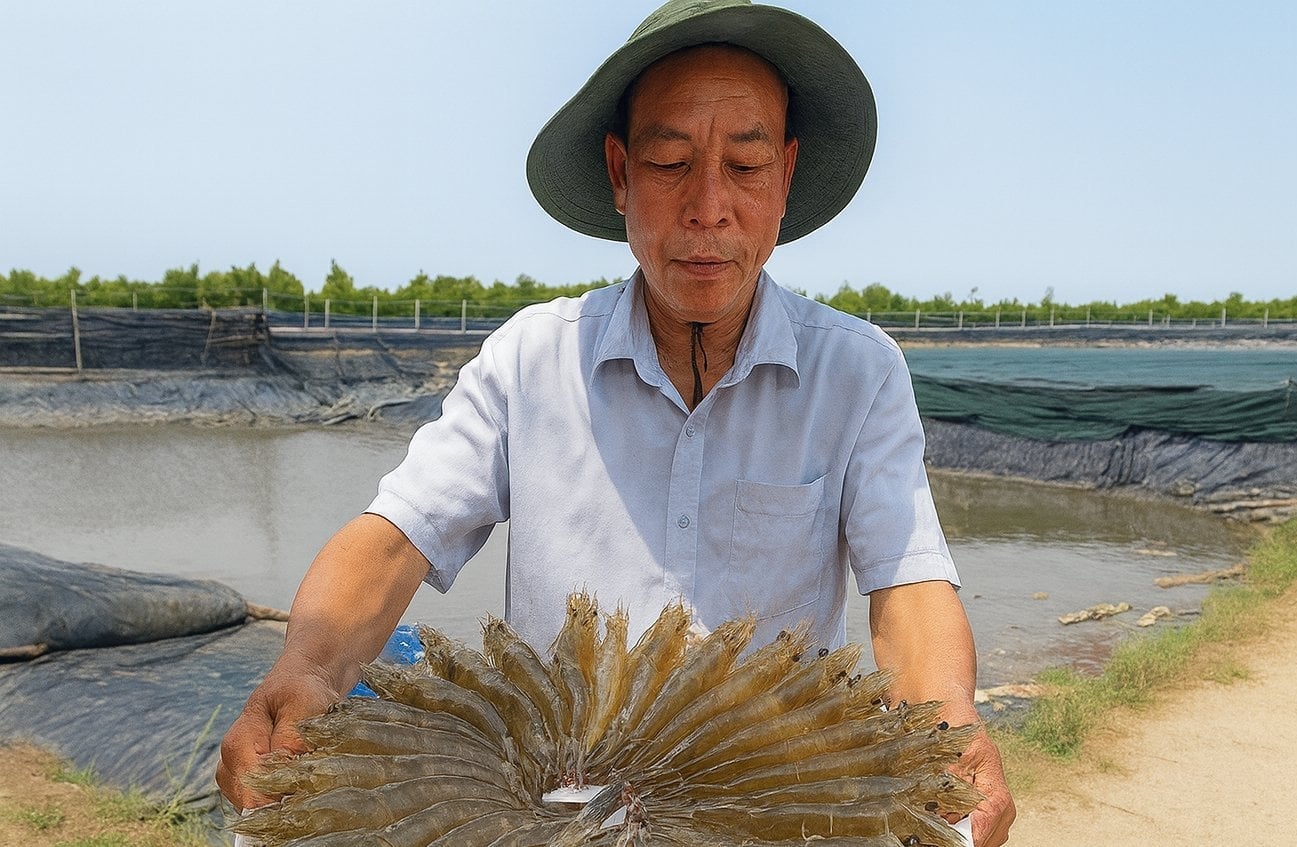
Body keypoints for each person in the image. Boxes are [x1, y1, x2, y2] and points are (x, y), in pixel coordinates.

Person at [217, 1, 1016, 844]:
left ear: (784, 176)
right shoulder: (532, 359)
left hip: (768, 796)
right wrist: (308, 667)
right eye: (670, 162)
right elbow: (397, 535)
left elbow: (907, 583)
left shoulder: (857, 370)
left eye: (745, 166)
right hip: (553, 794)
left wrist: (948, 719)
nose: (708, 206)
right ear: (619, 173)